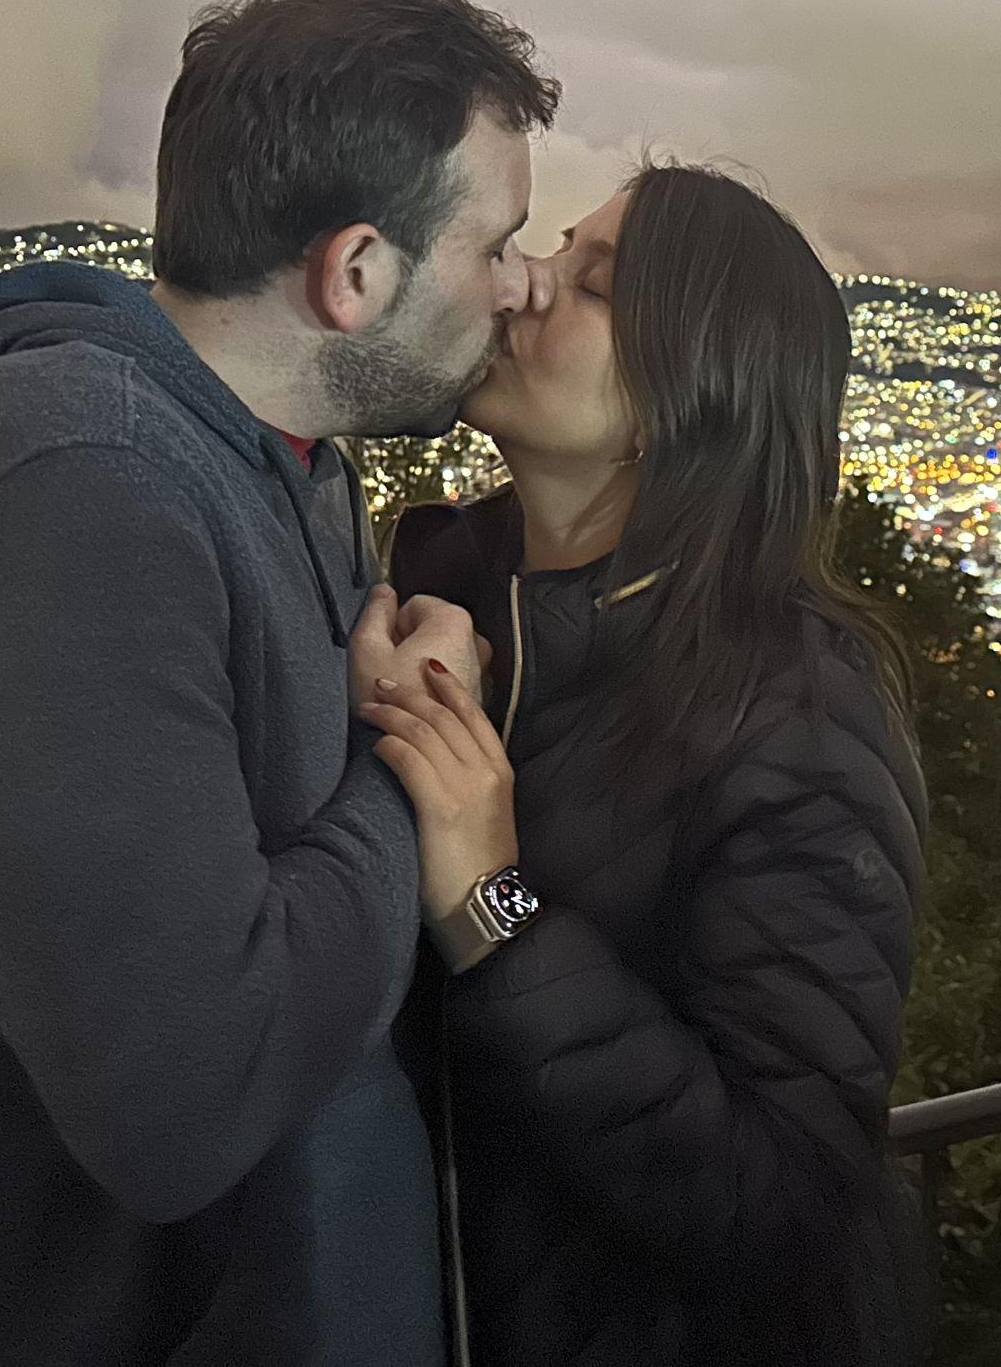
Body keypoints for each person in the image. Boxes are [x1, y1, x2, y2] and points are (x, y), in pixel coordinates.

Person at [0, 0, 559, 1367]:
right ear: (353, 273)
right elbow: (188, 1096)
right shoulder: (73, 488)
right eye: (496, 242)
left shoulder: (290, 469)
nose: (518, 282)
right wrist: (407, 762)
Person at [365, 162, 928, 1367]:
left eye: (592, 283)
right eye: (551, 251)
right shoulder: (434, 600)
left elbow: (779, 1205)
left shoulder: (795, 715)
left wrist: (494, 908)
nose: (523, 285)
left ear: (685, 395)